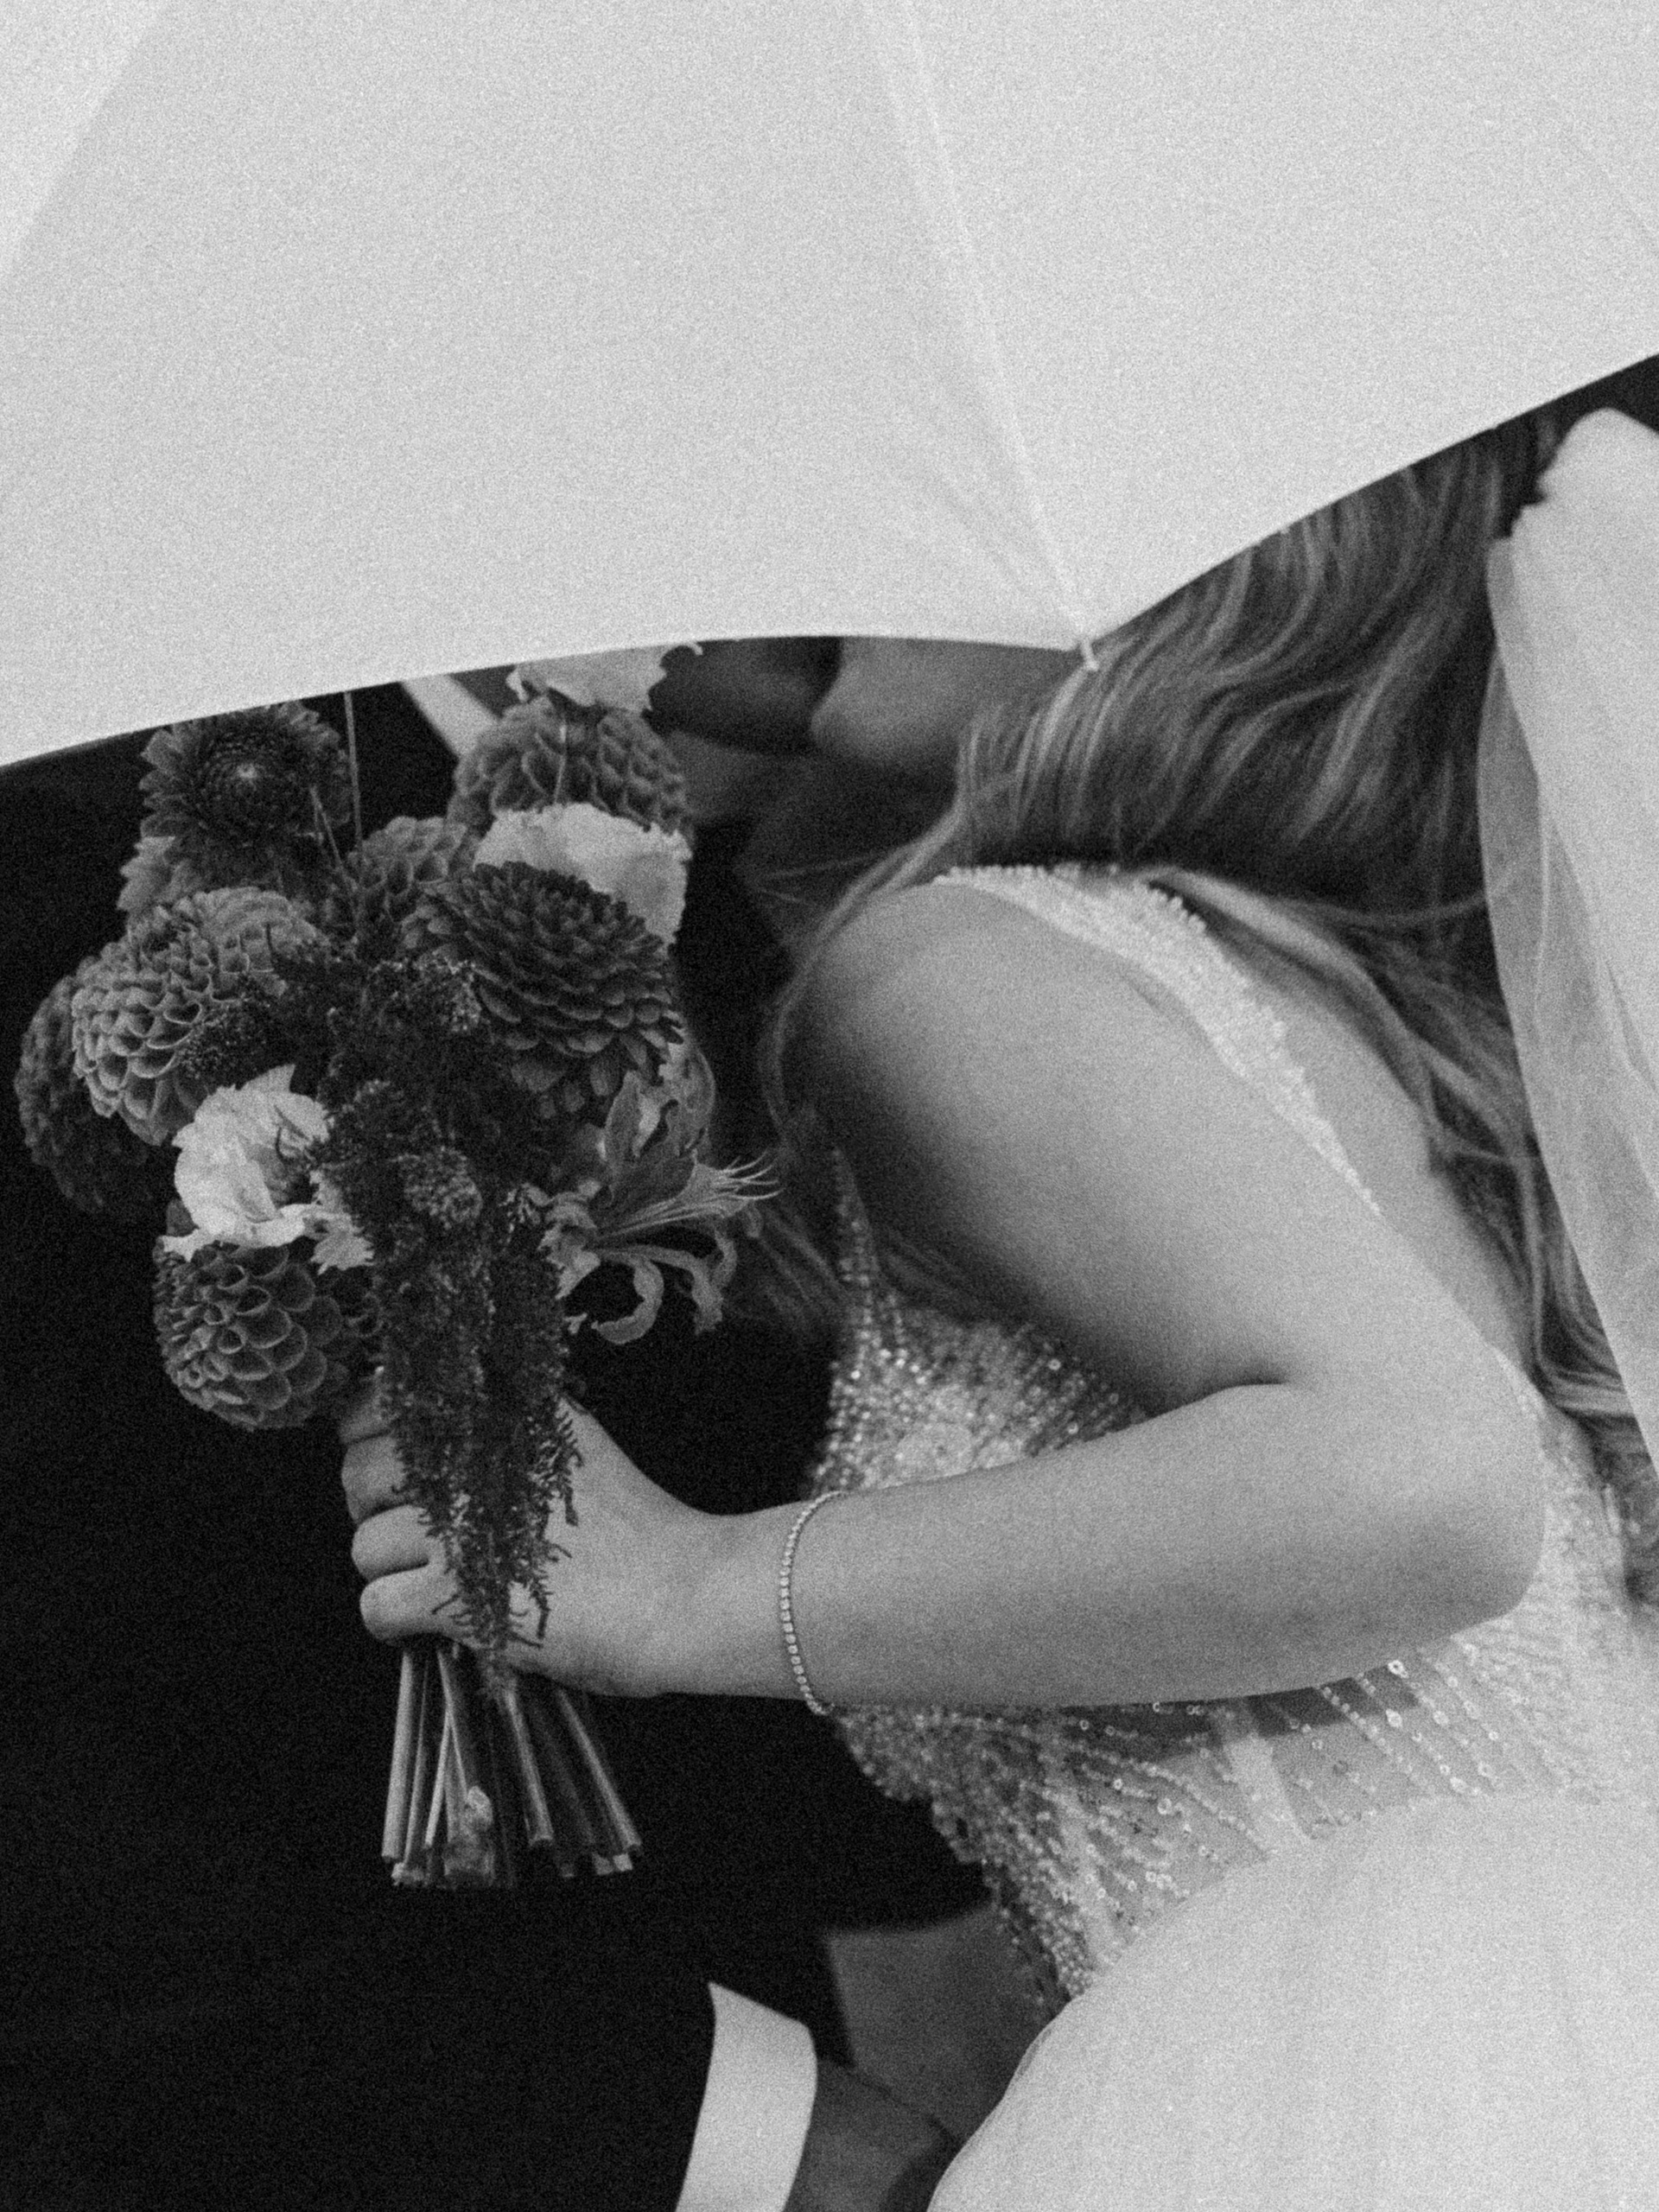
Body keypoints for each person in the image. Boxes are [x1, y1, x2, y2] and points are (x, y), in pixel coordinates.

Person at [347, 378, 1659, 2207]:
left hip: (1337, 2082)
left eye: (954, 468)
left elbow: (1423, 1486)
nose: (862, 522)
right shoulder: (1436, 1042)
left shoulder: (957, 962)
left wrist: (684, 1585)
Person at [0, 680, 970, 2212]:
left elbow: (786, 1774)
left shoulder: (709, 911)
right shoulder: (63, 874)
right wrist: (714, 2127)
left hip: (728, 1990)